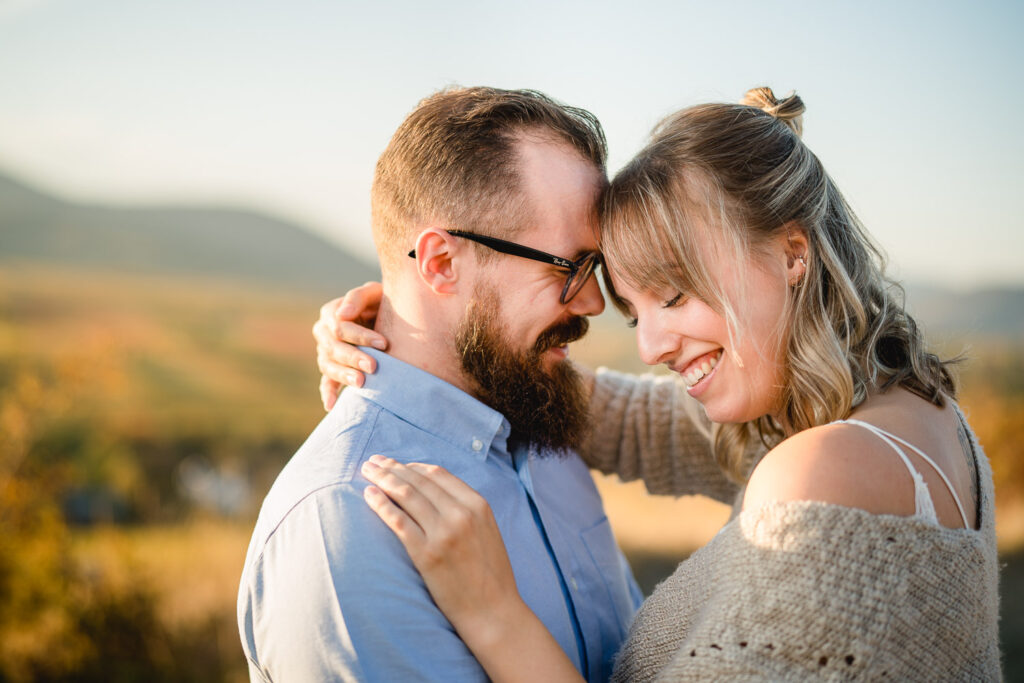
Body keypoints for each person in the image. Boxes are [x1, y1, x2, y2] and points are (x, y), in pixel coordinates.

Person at [320, 88, 1001, 679]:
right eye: (634, 309)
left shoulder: (822, 472)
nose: (649, 346)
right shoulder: (913, 410)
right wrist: (424, 330)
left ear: (792, 253)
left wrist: (492, 612)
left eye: (673, 295)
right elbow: (630, 421)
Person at [238, 86, 735, 683]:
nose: (595, 302)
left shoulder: (541, 424)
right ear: (442, 263)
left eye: (596, 268)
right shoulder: (343, 527)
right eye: (570, 267)